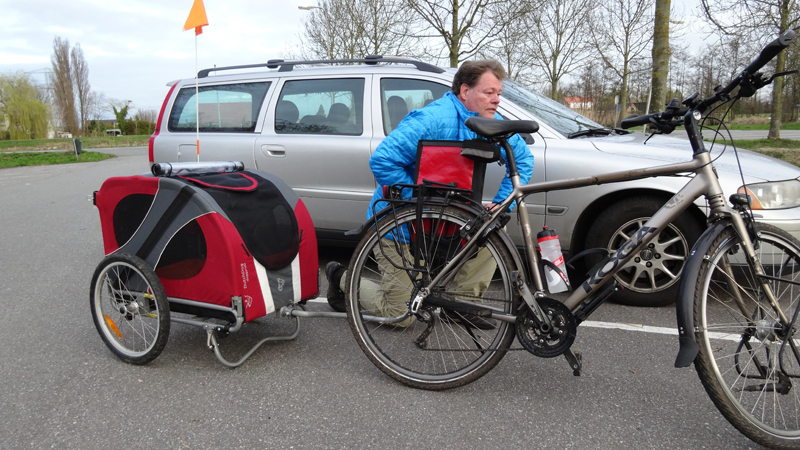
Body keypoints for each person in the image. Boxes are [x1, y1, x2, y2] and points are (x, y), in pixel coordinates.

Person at [326, 59, 533, 328]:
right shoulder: (431, 119)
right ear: (465, 91)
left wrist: (500, 204)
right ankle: (340, 277)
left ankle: (461, 304)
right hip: (400, 226)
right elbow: (382, 160)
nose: (496, 100)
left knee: (492, 225)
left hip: (443, 221)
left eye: (499, 93)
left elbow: (523, 160)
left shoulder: (490, 122)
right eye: (489, 92)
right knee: (400, 316)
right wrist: (419, 203)